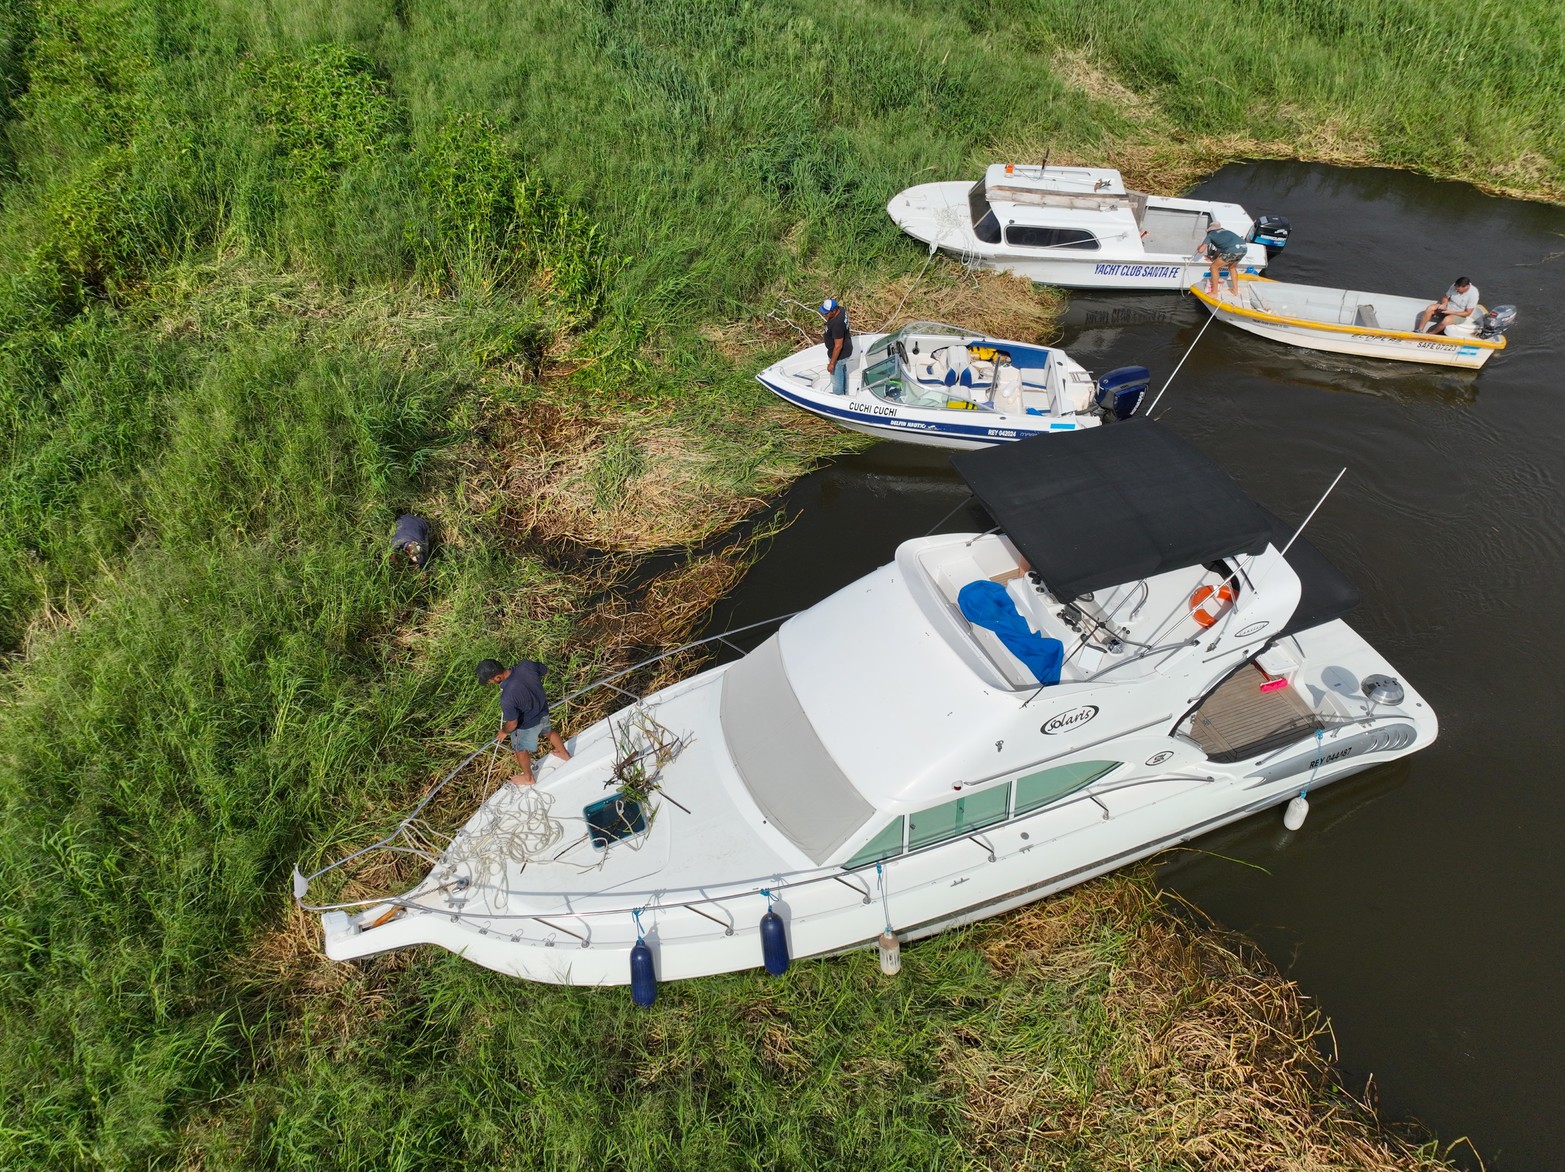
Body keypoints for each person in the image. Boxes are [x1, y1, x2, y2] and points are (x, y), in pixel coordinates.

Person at [476, 657, 571, 785]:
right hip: (543, 711)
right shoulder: (526, 665)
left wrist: (504, 731)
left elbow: (513, 723)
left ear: (497, 677)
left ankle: (528, 778)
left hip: (527, 724)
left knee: (520, 749)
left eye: (490, 681)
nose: (490, 683)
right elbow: (545, 671)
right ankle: (564, 754)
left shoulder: (507, 698)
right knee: (548, 731)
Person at [1195, 221, 1248, 297]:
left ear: (1210, 230)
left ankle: (1214, 293)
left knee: (1213, 268)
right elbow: (1220, 249)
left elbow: (1201, 250)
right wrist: (1213, 259)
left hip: (1232, 250)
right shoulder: (1226, 231)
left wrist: (1199, 247)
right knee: (1232, 267)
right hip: (1243, 248)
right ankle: (1235, 290)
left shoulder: (1211, 235)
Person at [1415, 277, 1479, 335]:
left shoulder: (1473, 294)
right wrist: (1444, 304)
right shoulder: (1455, 286)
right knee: (1430, 308)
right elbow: (1445, 297)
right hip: (1448, 308)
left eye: (1458, 289)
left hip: (1460, 314)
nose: (1456, 290)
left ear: (1466, 287)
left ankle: (1431, 334)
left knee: (1447, 320)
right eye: (1456, 288)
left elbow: (1467, 313)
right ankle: (1419, 330)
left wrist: (1450, 312)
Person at [819, 298, 853, 395]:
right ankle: (845, 393)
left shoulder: (837, 324)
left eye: (827, 313)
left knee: (836, 380)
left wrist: (832, 364)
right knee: (843, 370)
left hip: (840, 355)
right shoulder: (841, 310)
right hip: (847, 349)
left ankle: (838, 397)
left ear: (834, 311)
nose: (825, 315)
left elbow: (838, 346)